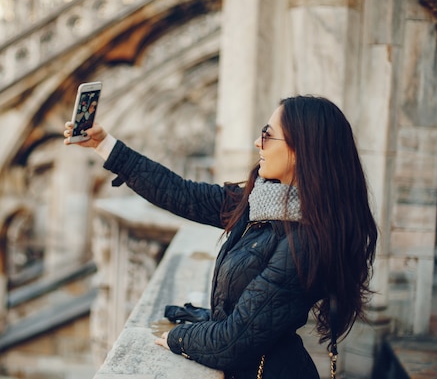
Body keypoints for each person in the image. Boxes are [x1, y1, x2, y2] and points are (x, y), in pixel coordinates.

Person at [63, 95, 378, 379]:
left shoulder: (307, 241)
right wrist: (105, 145)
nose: (257, 142)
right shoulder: (263, 202)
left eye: (267, 135)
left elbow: (233, 341)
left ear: (301, 152)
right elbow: (183, 194)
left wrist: (178, 338)